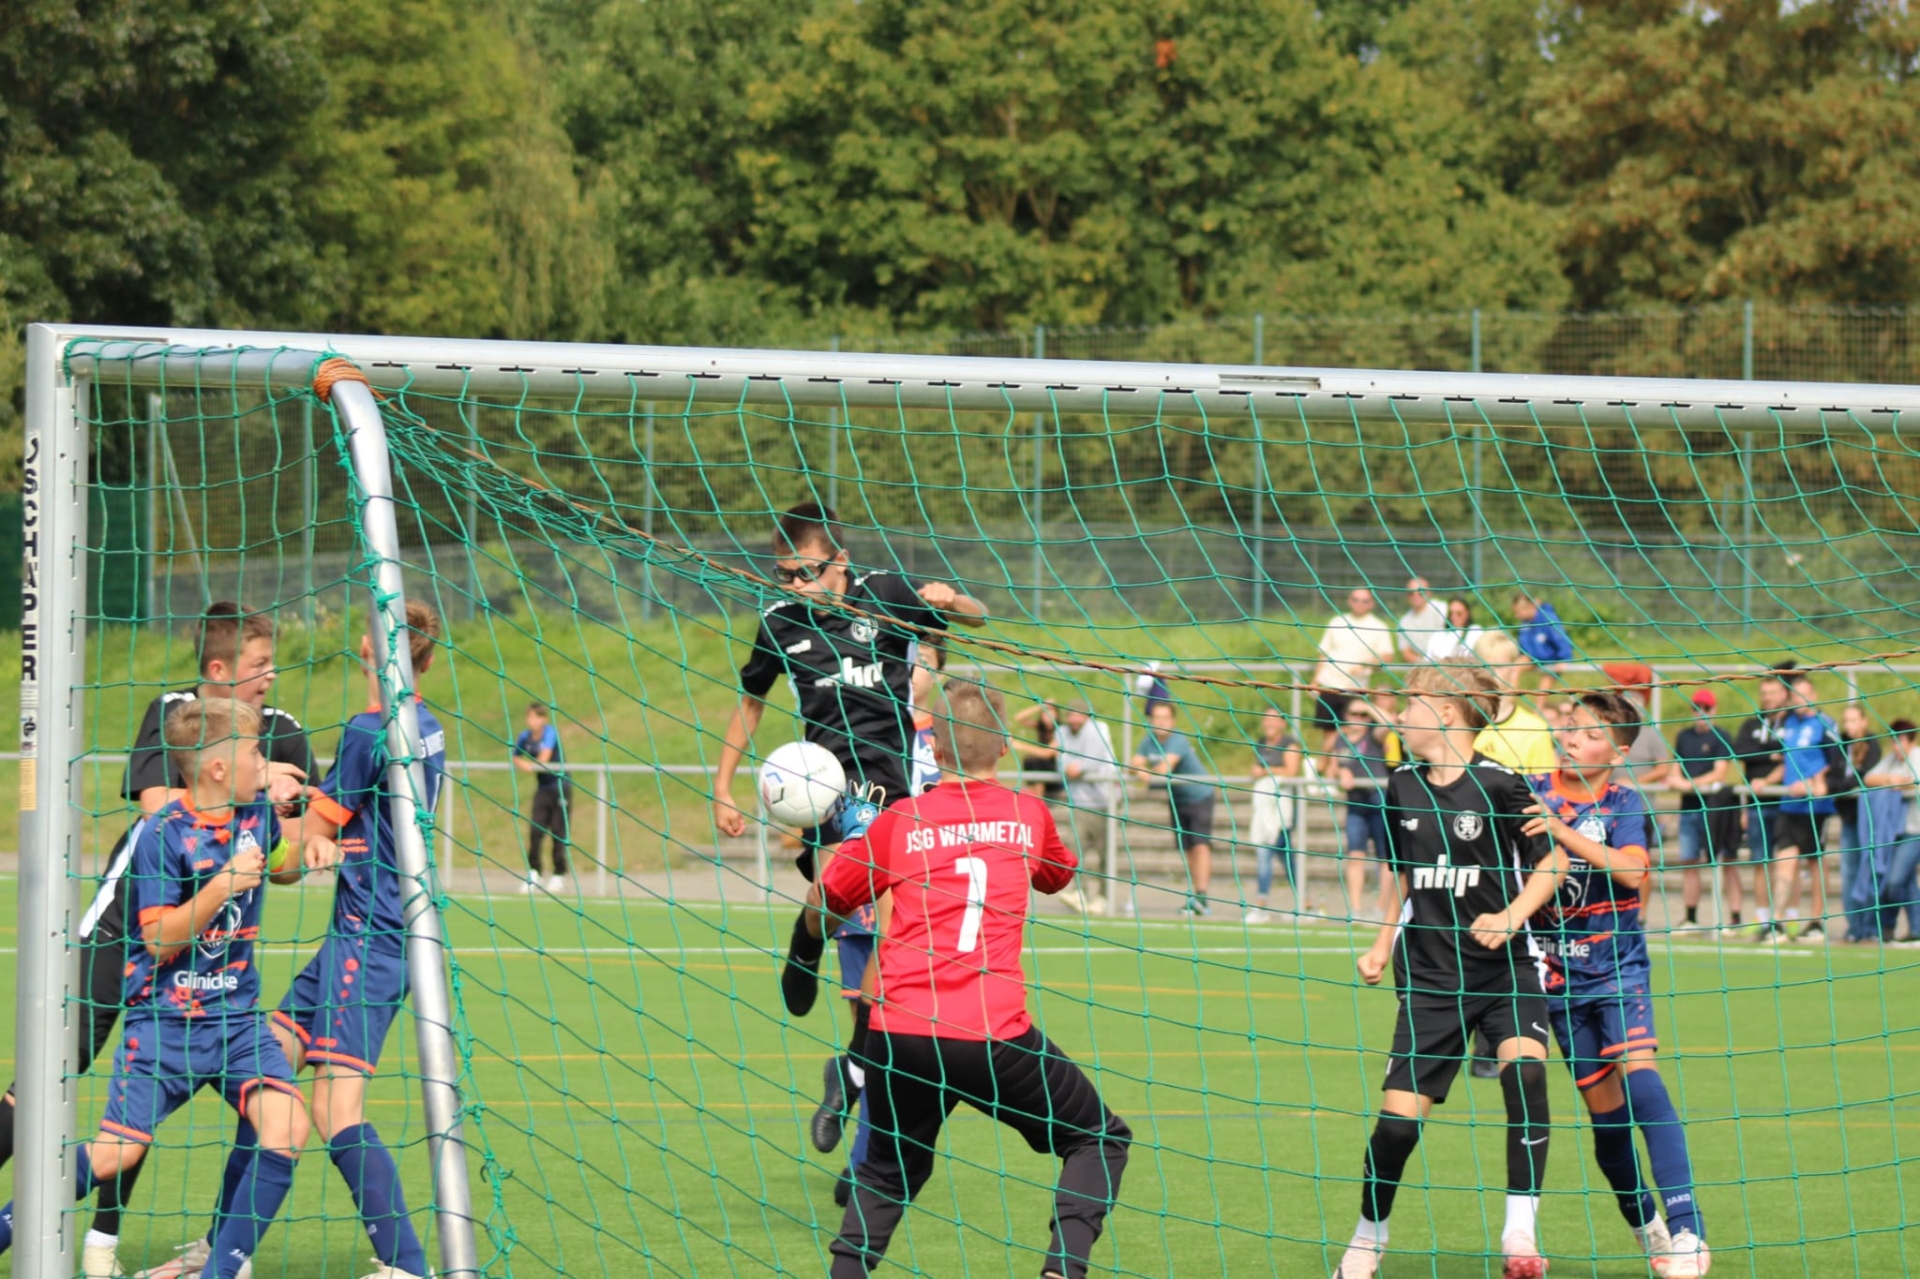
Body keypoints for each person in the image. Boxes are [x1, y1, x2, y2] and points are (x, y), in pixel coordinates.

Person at [2, 602, 316, 1279]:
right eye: (253, 755)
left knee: (286, 1125)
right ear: (216, 768)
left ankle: (214, 1265)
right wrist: (224, 879)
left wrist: (304, 846)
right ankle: (24, 1228)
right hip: (159, 1007)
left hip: (232, 1014)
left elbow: (286, 859)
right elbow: (159, 930)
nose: (264, 762)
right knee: (104, 1135)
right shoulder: (166, 822)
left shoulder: (261, 800)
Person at [785, 679, 1130, 1279]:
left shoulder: (900, 821)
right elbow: (1057, 877)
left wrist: (802, 952)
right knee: (1098, 1138)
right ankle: (1062, 1269)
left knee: (884, 1175)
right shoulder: (1029, 814)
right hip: (991, 1035)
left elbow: (826, 900)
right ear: (1006, 747)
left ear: (934, 747)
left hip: (901, 1035)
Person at [156, 602, 449, 1279]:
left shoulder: (368, 729)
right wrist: (306, 803)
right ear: (427, 660)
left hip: (370, 938)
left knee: (332, 1108)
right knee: (268, 1072)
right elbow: (351, 807)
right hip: (368, 933)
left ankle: (406, 1265)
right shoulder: (425, 724)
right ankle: (223, 1249)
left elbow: (315, 830)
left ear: (369, 649)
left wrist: (277, 811)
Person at [712, 502, 987, 1210]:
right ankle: (807, 942)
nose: (793, 585)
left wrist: (954, 601)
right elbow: (750, 703)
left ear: (838, 561)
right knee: (846, 915)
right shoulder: (781, 623)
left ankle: (853, 1079)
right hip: (828, 793)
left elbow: (974, 620)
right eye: (782, 574)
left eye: (803, 572)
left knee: (894, 967)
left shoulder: (888, 592)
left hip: (896, 797)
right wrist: (721, 786)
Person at [1332, 660, 1565, 1279]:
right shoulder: (1400, 784)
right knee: (1396, 1130)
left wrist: (1512, 916)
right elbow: (1401, 875)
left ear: (1445, 712)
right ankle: (1369, 1235)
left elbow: (1552, 864)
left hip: (1505, 973)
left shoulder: (1503, 785)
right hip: (1431, 979)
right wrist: (1380, 943)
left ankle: (1520, 1235)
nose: (1398, 714)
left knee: (1526, 1078)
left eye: (1409, 703)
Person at [1526, 691, 1710, 1277]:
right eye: (1570, 727)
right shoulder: (1529, 790)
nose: (1572, 738)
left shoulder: (1624, 802)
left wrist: (1561, 830)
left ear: (1619, 751)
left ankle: (1689, 1231)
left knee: (1644, 1081)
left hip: (1616, 969)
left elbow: (1632, 869)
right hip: (1555, 977)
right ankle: (1647, 1225)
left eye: (1589, 733)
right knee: (1606, 1123)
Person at [1762, 675, 1840, 943]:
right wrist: (1766, 781)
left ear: (1813, 695)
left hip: (1815, 808)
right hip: (1789, 805)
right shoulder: (1789, 723)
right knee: (1784, 861)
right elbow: (1787, 761)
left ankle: (1817, 921)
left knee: (1815, 862)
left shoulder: (1825, 724)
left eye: (1804, 694)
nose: (1799, 700)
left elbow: (1838, 762)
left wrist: (1813, 783)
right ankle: (1777, 922)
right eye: (1795, 695)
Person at [1131, 701, 1219, 915]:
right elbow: (1134, 763)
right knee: (1187, 847)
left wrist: (1146, 774)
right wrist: (1142, 771)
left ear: (1172, 721)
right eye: (1156, 718)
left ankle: (1203, 896)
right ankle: (1196, 895)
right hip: (1177, 798)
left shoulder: (1178, 739)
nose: (1160, 722)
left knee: (1200, 845)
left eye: (1164, 718)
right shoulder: (1149, 740)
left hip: (1198, 796)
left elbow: (1164, 769)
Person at [1671, 689, 1745, 931]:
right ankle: (1691, 916)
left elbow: (1719, 772)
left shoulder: (1721, 736)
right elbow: (1675, 767)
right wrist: (1677, 780)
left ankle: (1735, 916)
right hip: (1689, 808)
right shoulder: (1684, 736)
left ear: (1714, 710)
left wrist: (1689, 784)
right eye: (1696, 708)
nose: (1701, 713)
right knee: (1689, 862)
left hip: (1715, 809)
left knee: (1726, 860)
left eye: (1706, 708)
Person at [1732, 667, 1794, 932]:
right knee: (1760, 861)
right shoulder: (1752, 724)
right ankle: (1761, 917)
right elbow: (1741, 751)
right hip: (1757, 803)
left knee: (1788, 862)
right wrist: (1771, 755)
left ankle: (1789, 917)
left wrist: (1768, 763)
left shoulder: (1793, 722)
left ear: (1784, 694)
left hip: (1787, 803)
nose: (1768, 697)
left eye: (1773, 692)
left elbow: (1791, 754)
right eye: (1764, 693)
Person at [1054, 697, 1119, 916]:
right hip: (1079, 802)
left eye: (1078, 715)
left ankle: (1103, 896)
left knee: (1104, 852)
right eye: (1070, 715)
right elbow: (1061, 762)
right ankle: (1079, 891)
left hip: (1103, 801)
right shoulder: (1062, 732)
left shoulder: (1097, 730)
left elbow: (1091, 761)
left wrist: (1077, 768)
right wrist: (1071, 767)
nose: (1073, 719)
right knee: (1074, 847)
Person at [1311, 588, 1397, 749]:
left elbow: (1387, 657)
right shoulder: (1337, 622)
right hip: (1329, 686)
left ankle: (1351, 763)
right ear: (1349, 601)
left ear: (1372, 603)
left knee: (1354, 733)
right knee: (1329, 735)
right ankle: (1329, 764)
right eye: (1356, 600)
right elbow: (1323, 654)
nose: (1359, 604)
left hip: (1355, 689)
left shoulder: (1379, 626)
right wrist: (1315, 682)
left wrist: (1364, 664)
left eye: (1364, 601)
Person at [1331, 702, 1394, 922]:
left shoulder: (1374, 736)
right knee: (1355, 855)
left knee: (1385, 858)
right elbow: (1334, 766)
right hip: (1356, 804)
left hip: (1379, 801)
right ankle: (1356, 909)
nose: (1358, 718)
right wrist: (1341, 772)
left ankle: (1380, 908)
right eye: (1354, 713)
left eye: (1362, 715)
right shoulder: (1341, 739)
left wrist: (1369, 706)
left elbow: (1390, 723)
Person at [1247, 707, 1305, 923]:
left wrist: (1266, 771)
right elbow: (1256, 769)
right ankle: (1305, 902)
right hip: (1264, 808)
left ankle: (1263, 904)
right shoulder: (1261, 743)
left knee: (1275, 854)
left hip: (1282, 808)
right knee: (1281, 856)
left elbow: (1291, 771)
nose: (1269, 723)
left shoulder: (1290, 743)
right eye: (1266, 718)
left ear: (1282, 722)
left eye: (1274, 718)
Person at [1473, 632, 1557, 777]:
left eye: (1497, 666)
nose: (1489, 673)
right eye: (1483, 666)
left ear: (1513, 671)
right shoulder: (1461, 723)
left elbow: (1544, 787)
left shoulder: (1535, 730)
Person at [514, 701, 571, 894]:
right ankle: (534, 872)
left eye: (536, 717)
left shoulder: (550, 733)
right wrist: (523, 764)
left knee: (558, 831)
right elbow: (515, 755)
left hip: (560, 787)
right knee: (535, 831)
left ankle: (558, 874)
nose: (532, 721)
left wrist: (531, 766)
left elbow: (544, 758)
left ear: (543, 719)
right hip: (543, 788)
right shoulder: (525, 736)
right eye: (529, 717)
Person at [1873, 720, 1920, 943]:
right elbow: (1869, 777)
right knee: (1904, 880)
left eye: (1899, 740)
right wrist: (1890, 780)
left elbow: (1915, 782)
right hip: (1895, 830)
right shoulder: (1892, 760)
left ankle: (1889, 924)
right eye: (1893, 741)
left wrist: (1902, 783)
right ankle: (1915, 930)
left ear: (1909, 740)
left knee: (1895, 880)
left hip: (1916, 830)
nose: (1895, 746)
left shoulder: (1917, 757)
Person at [1602, 664, 1673, 789]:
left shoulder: (1651, 735)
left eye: (1635, 703)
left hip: (1642, 799)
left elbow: (1663, 768)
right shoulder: (1610, 733)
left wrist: (1634, 782)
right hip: (1611, 797)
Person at [1510, 593, 1573, 688]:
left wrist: (1564, 659)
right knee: (1513, 669)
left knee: (1542, 689)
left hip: (1552, 659)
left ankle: (1540, 699)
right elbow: (1523, 645)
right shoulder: (1525, 623)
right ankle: (1509, 696)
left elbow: (1561, 639)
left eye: (1519, 612)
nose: (1517, 616)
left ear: (1530, 607)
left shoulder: (1547, 618)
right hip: (1533, 658)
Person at [1014, 701, 1067, 801]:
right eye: (1045, 712)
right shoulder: (1041, 727)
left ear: (1057, 714)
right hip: (1042, 766)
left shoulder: (1061, 730)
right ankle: (1033, 796)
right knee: (1029, 761)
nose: (1048, 715)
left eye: (1051, 712)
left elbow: (1047, 754)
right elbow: (1019, 718)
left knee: (1036, 762)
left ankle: (1039, 799)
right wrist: (1040, 706)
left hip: (1056, 769)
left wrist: (1022, 746)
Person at [1396, 579, 1447, 667]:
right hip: (1422, 666)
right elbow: (1406, 653)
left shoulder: (1442, 609)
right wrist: (1425, 663)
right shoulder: (1404, 622)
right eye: (1411, 593)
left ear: (1429, 593)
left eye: (1420, 592)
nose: (1415, 596)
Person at [1423, 597, 1485, 662]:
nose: (1454, 617)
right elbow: (1428, 657)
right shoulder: (1439, 634)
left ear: (1467, 614)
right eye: (1451, 613)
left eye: (1459, 613)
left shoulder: (1475, 631)